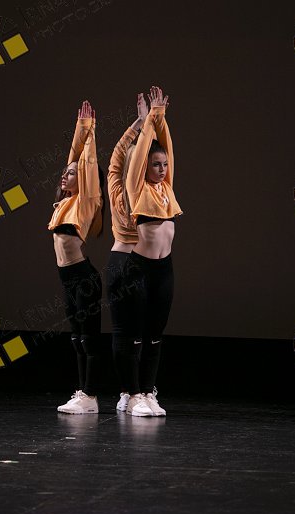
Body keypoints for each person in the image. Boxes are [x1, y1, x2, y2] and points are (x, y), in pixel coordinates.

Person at [116, 86, 182, 417]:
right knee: (136, 336)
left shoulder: (166, 188)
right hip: (138, 269)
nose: (162, 169)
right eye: (156, 165)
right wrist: (149, 120)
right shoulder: (137, 188)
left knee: (155, 335)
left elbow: (167, 147)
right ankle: (132, 394)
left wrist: (161, 119)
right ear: (145, 168)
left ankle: (148, 391)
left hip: (163, 270)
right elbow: (142, 155)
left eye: (165, 165)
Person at [48, 100, 106, 414]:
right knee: (76, 338)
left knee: (89, 339)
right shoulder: (65, 202)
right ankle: (83, 393)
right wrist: (80, 127)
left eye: (71, 174)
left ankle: (91, 395)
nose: (65, 175)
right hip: (68, 279)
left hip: (84, 278)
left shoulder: (86, 201)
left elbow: (85, 163)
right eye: (64, 173)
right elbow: (74, 159)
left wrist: (90, 131)